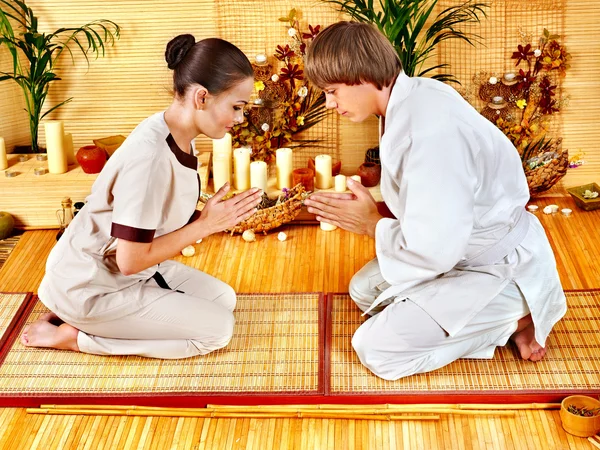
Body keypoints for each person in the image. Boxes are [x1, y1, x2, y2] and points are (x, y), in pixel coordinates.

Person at [304, 22, 567, 380]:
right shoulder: (413, 97)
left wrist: (369, 223)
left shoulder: (431, 131)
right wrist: (371, 214)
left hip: (496, 264)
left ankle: (516, 315)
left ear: (362, 74)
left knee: (376, 349)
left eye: (332, 91)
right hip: (458, 249)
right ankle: (487, 314)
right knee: (364, 291)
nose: (330, 103)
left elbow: (436, 249)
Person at [21, 35, 263, 359]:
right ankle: (76, 336)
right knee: (217, 330)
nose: (239, 119)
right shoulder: (149, 159)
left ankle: (95, 320)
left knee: (223, 300)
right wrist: (206, 225)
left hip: (121, 274)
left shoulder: (175, 131)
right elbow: (130, 260)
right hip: (91, 286)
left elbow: (156, 218)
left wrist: (208, 216)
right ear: (202, 97)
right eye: (236, 107)